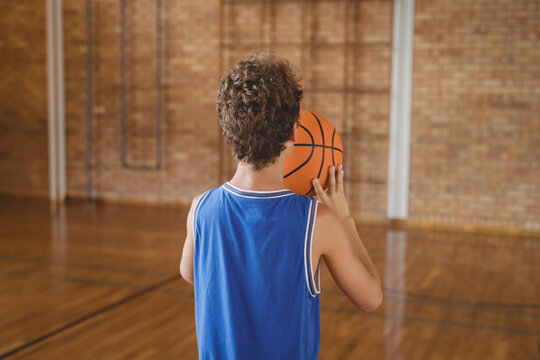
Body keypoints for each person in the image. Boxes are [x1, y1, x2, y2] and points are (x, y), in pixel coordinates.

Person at [180, 52, 382, 359]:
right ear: (294, 133)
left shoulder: (201, 208)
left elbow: (190, 272)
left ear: (227, 132)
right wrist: (345, 220)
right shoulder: (318, 221)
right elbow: (371, 298)